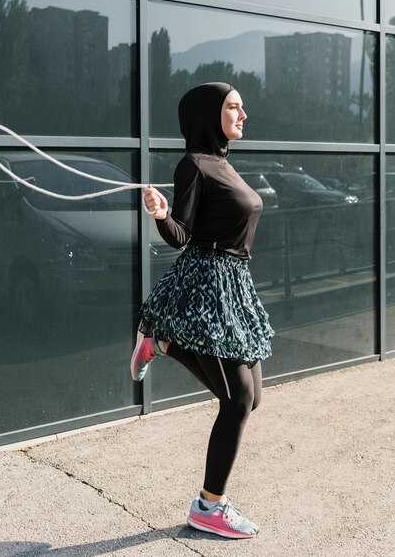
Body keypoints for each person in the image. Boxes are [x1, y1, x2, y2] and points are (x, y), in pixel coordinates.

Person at [130, 82, 274, 540]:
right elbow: (180, 235)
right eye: (234, 107)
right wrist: (159, 213)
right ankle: (210, 506)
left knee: (250, 397)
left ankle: (162, 341)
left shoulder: (223, 164)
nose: (243, 114)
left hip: (235, 285)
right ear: (210, 114)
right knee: (235, 402)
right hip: (206, 286)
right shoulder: (193, 164)